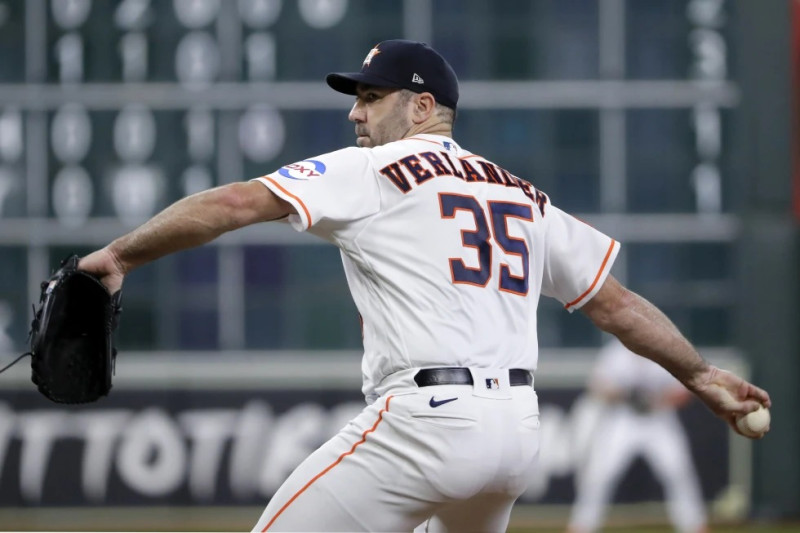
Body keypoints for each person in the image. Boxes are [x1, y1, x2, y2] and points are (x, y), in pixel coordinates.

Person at [77, 39, 770, 532]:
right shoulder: (524, 194)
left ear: (420, 108)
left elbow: (233, 204)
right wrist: (701, 372)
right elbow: (614, 304)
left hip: (427, 422)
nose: (356, 114)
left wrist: (118, 256)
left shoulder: (377, 169)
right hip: (516, 432)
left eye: (371, 97)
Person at [567, 338, 709, 533]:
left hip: (658, 417)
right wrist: (625, 395)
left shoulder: (665, 349)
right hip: (623, 418)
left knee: (677, 469)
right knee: (599, 474)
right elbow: (596, 386)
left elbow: (685, 390)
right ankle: (581, 526)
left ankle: (694, 526)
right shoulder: (616, 353)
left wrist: (656, 399)